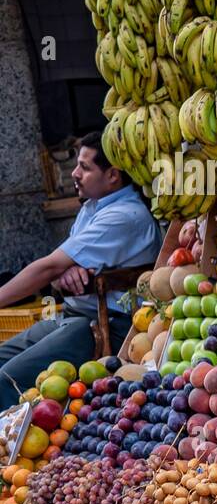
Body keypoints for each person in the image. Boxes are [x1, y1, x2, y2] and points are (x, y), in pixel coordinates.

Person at [0, 132, 162, 409]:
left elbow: (50, 266)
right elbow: (60, 264)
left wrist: (58, 268)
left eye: (85, 167)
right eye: (77, 164)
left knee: (6, 379)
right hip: (73, 315)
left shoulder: (124, 216)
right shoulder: (92, 207)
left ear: (112, 175)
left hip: (107, 324)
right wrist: (64, 270)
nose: (74, 173)